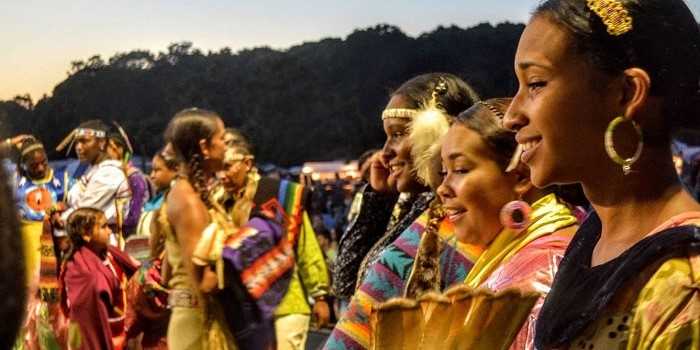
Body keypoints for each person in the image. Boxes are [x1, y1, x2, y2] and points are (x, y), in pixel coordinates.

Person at [502, 0, 700, 348]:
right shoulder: (591, 237)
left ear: (626, 94)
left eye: (535, 83)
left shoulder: (685, 285)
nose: (511, 116)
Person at [369, 99, 582, 349]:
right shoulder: (521, 256)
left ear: (521, 176)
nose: (443, 189)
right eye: (444, 172)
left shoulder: (538, 278)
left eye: (460, 169)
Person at [326, 73, 480, 349]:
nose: (384, 153)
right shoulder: (410, 204)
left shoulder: (458, 213)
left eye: (398, 135)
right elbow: (345, 282)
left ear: (438, 134)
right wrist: (377, 200)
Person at [211, 128, 330, 350]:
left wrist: (320, 295)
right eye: (218, 169)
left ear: (247, 163)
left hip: (287, 302)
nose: (221, 175)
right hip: (241, 308)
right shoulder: (216, 202)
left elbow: (305, 246)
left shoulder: (280, 195)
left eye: (228, 167)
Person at [159, 108, 236, 350]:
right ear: (204, 147)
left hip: (198, 317)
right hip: (197, 323)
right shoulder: (188, 200)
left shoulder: (190, 194)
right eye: (222, 139)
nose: (226, 146)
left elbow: (167, 271)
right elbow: (204, 283)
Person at [9, 136, 69, 349]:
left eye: (44, 161)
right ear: (24, 165)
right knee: (30, 292)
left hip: (54, 242)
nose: (41, 167)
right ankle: (29, 342)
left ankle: (60, 339)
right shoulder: (16, 181)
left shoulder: (61, 180)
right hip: (27, 241)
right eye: (34, 165)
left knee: (55, 294)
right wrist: (9, 143)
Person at [59, 207, 138, 350]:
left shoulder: (110, 254)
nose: (109, 231)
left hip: (121, 332)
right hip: (100, 338)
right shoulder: (82, 272)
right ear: (86, 235)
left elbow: (135, 275)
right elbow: (87, 320)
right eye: (103, 227)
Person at [124, 147, 178, 350]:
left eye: (158, 170)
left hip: (165, 281)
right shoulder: (161, 201)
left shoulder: (174, 204)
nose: (152, 175)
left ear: (175, 171)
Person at [58, 120, 131, 246]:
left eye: (84, 141)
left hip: (104, 247)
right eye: (76, 142)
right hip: (89, 243)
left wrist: (58, 219)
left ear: (102, 143)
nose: (78, 147)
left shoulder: (109, 173)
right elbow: (73, 204)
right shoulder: (94, 170)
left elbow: (83, 212)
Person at [106, 123, 151, 237]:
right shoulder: (107, 174)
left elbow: (135, 212)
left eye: (106, 149)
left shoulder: (134, 177)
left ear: (118, 149)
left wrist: (124, 227)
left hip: (128, 234)